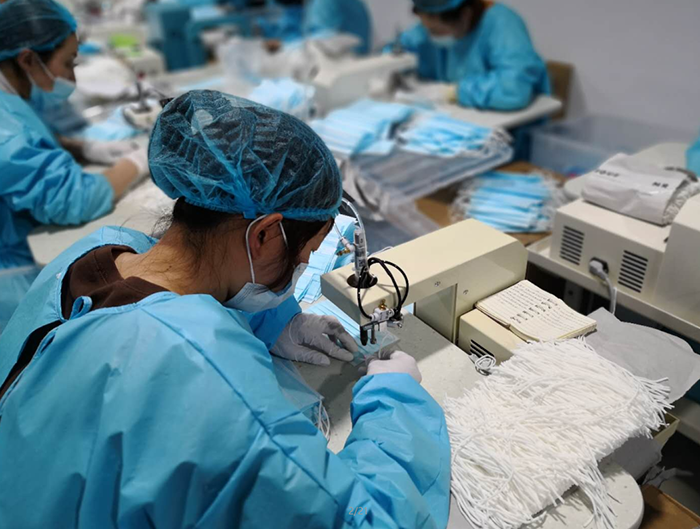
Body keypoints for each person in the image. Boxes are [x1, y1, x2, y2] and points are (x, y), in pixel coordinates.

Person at [0, 91, 451, 528]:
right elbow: (363, 519)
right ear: (264, 234)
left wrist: (275, 320)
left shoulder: (100, 251)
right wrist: (395, 401)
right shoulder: (201, 370)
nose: (303, 265)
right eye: (308, 252)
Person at [0, 0, 149, 331]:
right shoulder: (6, 134)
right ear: (28, 59)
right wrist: (138, 161)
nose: (71, 76)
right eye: (68, 63)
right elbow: (76, 199)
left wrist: (85, 148)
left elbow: (30, 139)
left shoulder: (9, 95)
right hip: (11, 285)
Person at [397, 0, 550, 111]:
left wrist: (454, 92)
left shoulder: (503, 24)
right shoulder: (432, 21)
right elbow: (402, 47)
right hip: (457, 118)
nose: (430, 35)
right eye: (426, 27)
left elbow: (513, 88)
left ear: (465, 15)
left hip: (510, 132)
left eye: (437, 30)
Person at [304, 0, 373, 55]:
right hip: (359, 59)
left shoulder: (324, 3)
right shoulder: (355, 3)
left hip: (342, 60)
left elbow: (322, 42)